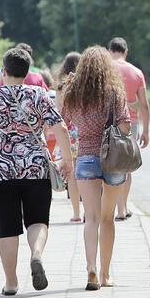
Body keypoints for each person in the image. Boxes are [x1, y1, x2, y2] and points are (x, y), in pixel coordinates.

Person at [0, 48, 74, 296]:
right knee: (37, 220)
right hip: (35, 167)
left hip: (0, 170)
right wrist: (67, 160)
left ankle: (11, 283)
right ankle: (36, 255)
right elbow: (61, 129)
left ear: (4, 72)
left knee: (7, 226)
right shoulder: (39, 95)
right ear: (26, 72)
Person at [60, 46, 131, 290]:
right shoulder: (114, 93)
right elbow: (125, 128)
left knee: (90, 218)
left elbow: (65, 123)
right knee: (107, 219)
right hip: (111, 160)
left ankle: (90, 269)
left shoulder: (73, 96)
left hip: (86, 159)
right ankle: (105, 274)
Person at [107, 37, 150, 221]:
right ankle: (123, 208)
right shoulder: (137, 72)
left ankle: (110, 206)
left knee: (110, 165)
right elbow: (144, 105)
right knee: (126, 165)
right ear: (125, 52)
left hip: (108, 123)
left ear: (110, 51)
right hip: (129, 124)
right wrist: (145, 130)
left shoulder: (106, 70)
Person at [55, 52, 83, 223]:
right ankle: (90, 210)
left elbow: (59, 109)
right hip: (85, 130)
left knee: (72, 174)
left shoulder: (60, 86)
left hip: (68, 132)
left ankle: (76, 212)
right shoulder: (85, 85)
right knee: (88, 175)